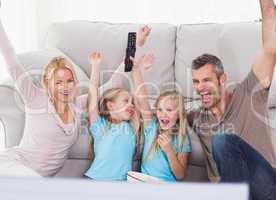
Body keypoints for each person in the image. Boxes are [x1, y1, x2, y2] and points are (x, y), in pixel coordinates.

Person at [0, 7, 139, 177]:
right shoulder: (35, 97)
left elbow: (114, 83)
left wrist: (135, 42)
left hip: (39, 180)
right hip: (16, 165)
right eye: (58, 82)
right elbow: (11, 60)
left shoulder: (78, 106)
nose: (65, 87)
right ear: (46, 83)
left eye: (69, 81)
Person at [187, 0, 276, 199]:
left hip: (269, 187)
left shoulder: (250, 91)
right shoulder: (197, 116)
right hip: (231, 191)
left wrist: (267, 6)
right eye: (196, 82)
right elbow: (162, 112)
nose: (200, 88)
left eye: (206, 80)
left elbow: (271, 48)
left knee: (222, 140)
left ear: (222, 79)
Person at [84, 26, 151, 181]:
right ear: (110, 105)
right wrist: (95, 67)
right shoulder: (99, 126)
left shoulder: (132, 126)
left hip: (119, 185)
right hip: (94, 180)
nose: (131, 104)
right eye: (126, 101)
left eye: (131, 102)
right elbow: (92, 97)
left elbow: (140, 97)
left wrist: (141, 71)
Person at [131, 54, 191, 182]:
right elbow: (142, 98)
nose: (163, 114)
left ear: (179, 114)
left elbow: (180, 175)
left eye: (169, 110)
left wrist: (169, 150)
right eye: (159, 109)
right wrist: (138, 71)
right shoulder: (151, 126)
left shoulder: (182, 139)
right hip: (144, 183)